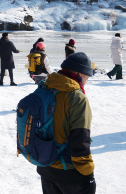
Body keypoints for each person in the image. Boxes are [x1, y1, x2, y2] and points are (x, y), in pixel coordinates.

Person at [37, 52, 95, 194]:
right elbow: (80, 140)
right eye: (87, 76)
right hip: (68, 171)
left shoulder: (46, 87)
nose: (87, 80)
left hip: (45, 165)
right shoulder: (76, 97)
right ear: (80, 73)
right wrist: (88, 175)